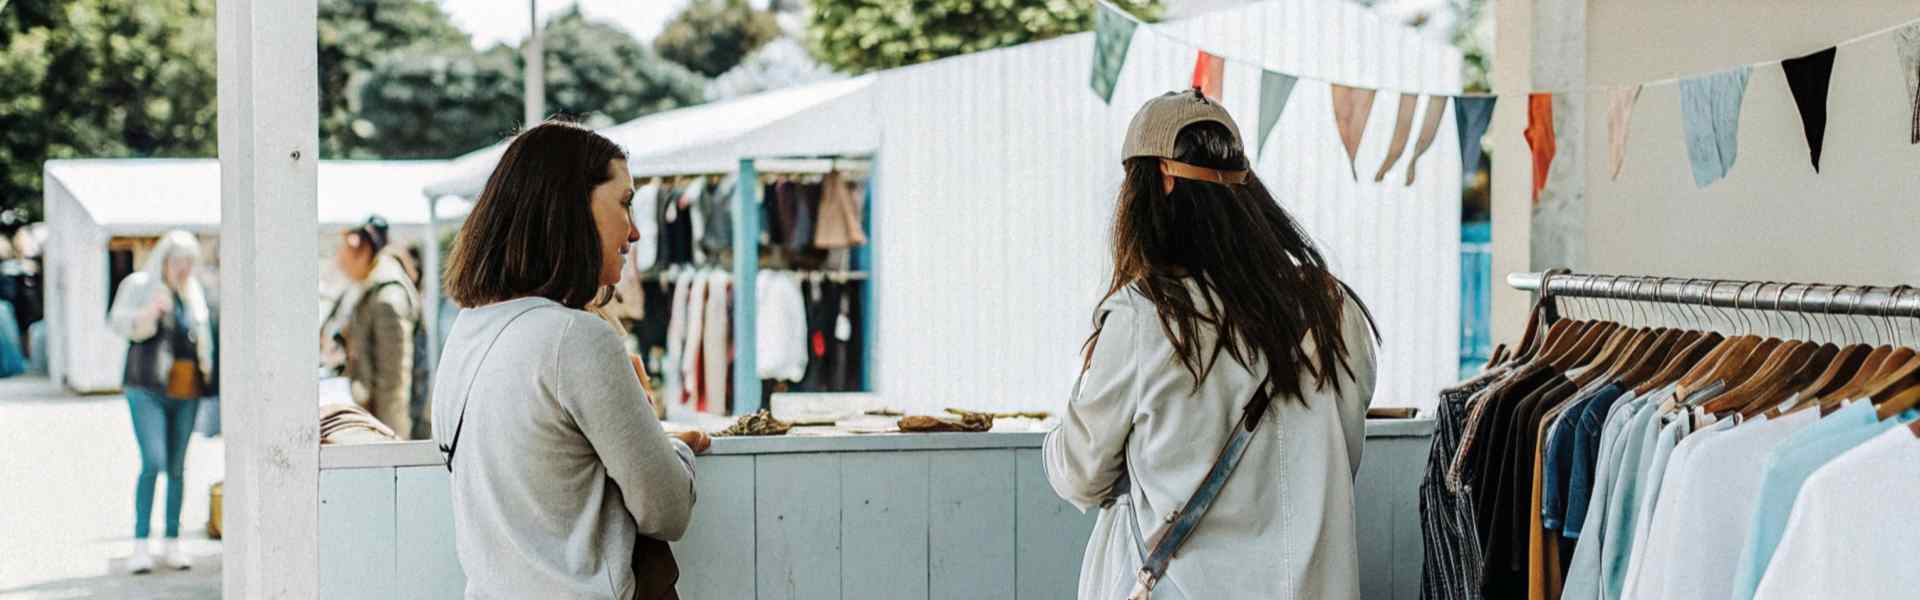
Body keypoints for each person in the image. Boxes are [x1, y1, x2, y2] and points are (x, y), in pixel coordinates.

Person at [1043, 89, 1381, 600]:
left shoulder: (1147, 315)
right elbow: (1341, 456)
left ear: (1157, 181)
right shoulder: (1333, 308)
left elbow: (1080, 475)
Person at [434, 121, 706, 599]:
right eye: (624, 202)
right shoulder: (574, 339)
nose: (636, 230)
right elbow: (666, 510)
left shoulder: (468, 332)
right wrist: (671, 447)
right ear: (570, 206)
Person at [108, 230, 214, 574]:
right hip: (146, 386)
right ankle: (140, 543)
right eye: (177, 260)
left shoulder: (194, 294)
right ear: (164, 258)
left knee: (178, 467)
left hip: (186, 389)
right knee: (153, 461)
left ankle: (172, 540)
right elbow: (118, 323)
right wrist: (149, 313)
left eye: (189, 262)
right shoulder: (140, 284)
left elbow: (204, 341)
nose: (183, 268)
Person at [335, 215, 421, 438]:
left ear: (362, 252)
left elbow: (394, 386)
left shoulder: (388, 299)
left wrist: (390, 445)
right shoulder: (370, 289)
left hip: (388, 429)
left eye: (344, 255)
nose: (339, 263)